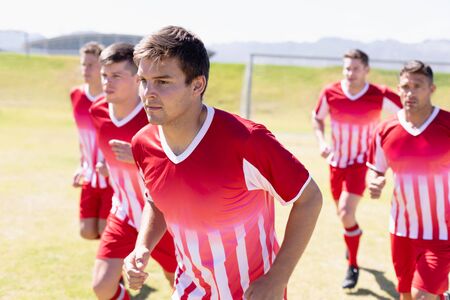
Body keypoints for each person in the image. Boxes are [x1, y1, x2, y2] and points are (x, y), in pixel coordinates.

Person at [123, 26, 323, 300]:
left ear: (197, 85)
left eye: (163, 82)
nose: (148, 92)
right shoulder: (143, 144)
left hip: (253, 293)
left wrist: (277, 278)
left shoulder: (247, 141)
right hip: (189, 289)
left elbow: (309, 198)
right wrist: (142, 246)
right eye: (143, 80)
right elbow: (158, 201)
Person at [89, 43, 177, 300]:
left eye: (116, 75)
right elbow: (108, 156)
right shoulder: (98, 111)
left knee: (181, 287)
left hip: (162, 221)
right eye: (105, 75)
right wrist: (107, 168)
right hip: (124, 215)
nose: (107, 82)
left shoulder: (157, 117)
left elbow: (179, 166)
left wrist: (138, 159)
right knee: (102, 286)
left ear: (137, 78)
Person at [312, 49, 403, 289]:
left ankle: (352, 265)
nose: (350, 73)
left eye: (355, 68)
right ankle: (352, 234)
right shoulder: (330, 93)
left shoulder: (379, 94)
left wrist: (392, 144)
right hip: (336, 163)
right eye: (347, 68)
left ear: (366, 70)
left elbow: (408, 115)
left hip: (362, 164)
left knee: (345, 212)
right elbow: (317, 118)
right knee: (345, 217)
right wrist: (322, 142)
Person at [367, 60, 449, 300]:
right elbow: (377, 170)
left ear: (431, 89)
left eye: (417, 86)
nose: (409, 92)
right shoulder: (385, 129)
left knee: (421, 295)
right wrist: (375, 182)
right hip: (401, 230)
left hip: (442, 232)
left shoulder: (447, 124)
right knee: (407, 296)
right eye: (405, 86)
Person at [70, 41, 114, 240]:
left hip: (111, 177)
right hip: (90, 175)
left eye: (91, 65)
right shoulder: (76, 95)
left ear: (102, 67)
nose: (85, 69)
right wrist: (81, 166)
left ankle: (115, 268)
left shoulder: (113, 98)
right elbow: (82, 138)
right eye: (83, 64)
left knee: (108, 232)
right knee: (87, 232)